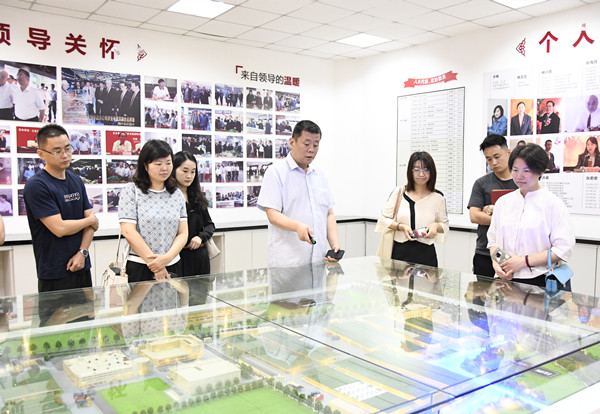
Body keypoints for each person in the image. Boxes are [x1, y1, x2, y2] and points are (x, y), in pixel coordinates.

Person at [23, 124, 99, 292]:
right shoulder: (37, 186)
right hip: (55, 270)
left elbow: (92, 224)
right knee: (57, 310)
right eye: (57, 151)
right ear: (41, 154)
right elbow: (60, 228)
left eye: (67, 149)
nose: (65, 155)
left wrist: (82, 252)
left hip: (81, 264)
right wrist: (89, 220)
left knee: (88, 309)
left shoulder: (75, 180)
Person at [488, 143, 575, 288]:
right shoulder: (503, 203)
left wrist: (523, 262)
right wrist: (497, 263)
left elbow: (562, 249)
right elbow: (493, 241)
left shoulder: (553, 204)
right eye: (515, 170)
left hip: (541, 280)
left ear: (540, 171)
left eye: (526, 171)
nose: (519, 176)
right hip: (506, 278)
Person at [257, 120, 342, 267]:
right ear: (292, 142)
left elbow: (328, 213)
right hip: (288, 263)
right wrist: (297, 227)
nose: (311, 150)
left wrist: (334, 245)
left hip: (318, 261)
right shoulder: (276, 172)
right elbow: (272, 214)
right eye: (306, 144)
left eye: (315, 145)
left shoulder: (319, 175)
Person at [118, 139, 188, 283]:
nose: (164, 168)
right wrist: (156, 265)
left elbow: (183, 233)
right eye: (158, 164)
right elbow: (128, 231)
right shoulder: (131, 191)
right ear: (145, 165)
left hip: (172, 264)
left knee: (173, 298)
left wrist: (166, 259)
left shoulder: (176, 194)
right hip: (140, 265)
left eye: (168, 163)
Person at [377, 151, 448, 267]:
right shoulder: (399, 192)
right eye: (416, 170)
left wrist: (436, 226)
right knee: (398, 279)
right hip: (400, 252)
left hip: (426, 254)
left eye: (426, 170)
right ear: (410, 171)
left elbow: (445, 225)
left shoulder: (438, 197)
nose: (421, 174)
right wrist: (401, 227)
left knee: (427, 279)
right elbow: (383, 220)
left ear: (432, 172)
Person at [467, 134, 518, 277]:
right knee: (483, 289)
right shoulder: (481, 183)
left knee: (514, 290)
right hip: (485, 251)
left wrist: (489, 210)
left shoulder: (521, 182)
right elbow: (474, 216)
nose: (494, 162)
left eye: (497, 156)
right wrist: (507, 220)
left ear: (508, 153)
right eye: (489, 159)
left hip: (516, 254)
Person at [172, 151, 215, 277]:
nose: (189, 176)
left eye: (193, 172)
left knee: (202, 289)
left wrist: (200, 237)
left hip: (200, 256)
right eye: (185, 171)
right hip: (177, 257)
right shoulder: (168, 198)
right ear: (174, 170)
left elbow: (210, 225)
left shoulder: (197, 196)